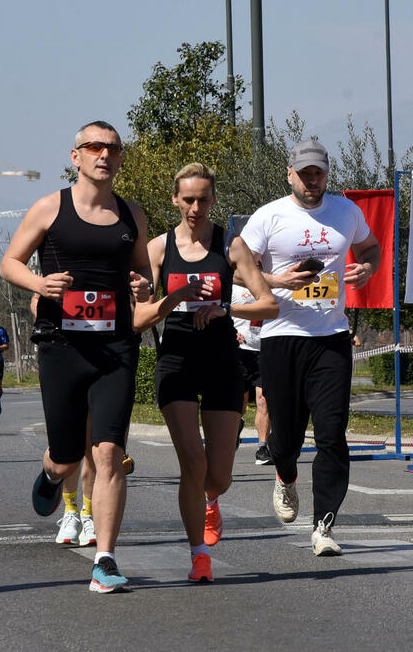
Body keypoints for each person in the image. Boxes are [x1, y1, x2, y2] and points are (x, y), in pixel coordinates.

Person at [0, 120, 153, 593]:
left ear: (120, 157)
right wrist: (39, 283)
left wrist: (143, 286)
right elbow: (9, 262)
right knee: (67, 457)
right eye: (94, 147)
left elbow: (143, 272)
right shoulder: (50, 208)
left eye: (113, 148)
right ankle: (52, 474)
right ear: (76, 156)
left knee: (109, 452)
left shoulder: (132, 215)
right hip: (61, 345)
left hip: (115, 346)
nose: (104, 154)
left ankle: (105, 558)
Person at [135, 163, 277, 583]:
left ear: (213, 199)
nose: (195, 208)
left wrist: (225, 308)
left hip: (221, 360)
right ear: (175, 200)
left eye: (202, 199)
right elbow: (139, 318)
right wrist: (174, 296)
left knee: (218, 477)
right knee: (192, 464)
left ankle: (212, 501)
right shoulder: (159, 249)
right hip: (176, 361)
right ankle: (199, 555)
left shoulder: (231, 245)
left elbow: (269, 304)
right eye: (188, 200)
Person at [240, 140, 381, 557]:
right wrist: (276, 281)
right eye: (304, 174)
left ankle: (323, 526)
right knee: (285, 440)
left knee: (332, 434)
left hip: (330, 338)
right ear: (290, 175)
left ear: (326, 174)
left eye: (318, 173)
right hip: (281, 337)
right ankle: (285, 476)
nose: (312, 181)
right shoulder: (268, 216)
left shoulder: (347, 212)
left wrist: (367, 267)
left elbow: (371, 247)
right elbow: (238, 268)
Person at [31, 293, 98, 547]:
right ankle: (69, 509)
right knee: (72, 447)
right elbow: (36, 300)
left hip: (107, 352)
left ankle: (88, 514)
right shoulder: (62, 271)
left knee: (96, 446)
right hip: (65, 351)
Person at [232, 282, 272, 465]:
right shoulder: (234, 287)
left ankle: (262, 448)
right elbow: (221, 313)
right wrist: (232, 333)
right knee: (240, 400)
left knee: (263, 399)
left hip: (263, 350)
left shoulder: (269, 286)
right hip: (240, 350)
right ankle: (236, 425)